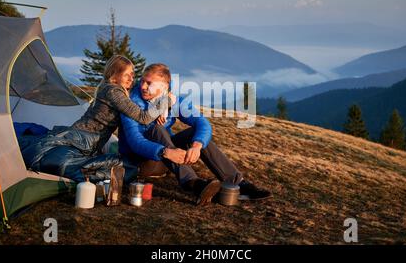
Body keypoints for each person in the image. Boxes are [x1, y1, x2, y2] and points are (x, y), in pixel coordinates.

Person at [118, 63, 271, 205]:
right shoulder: (130, 103)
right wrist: (166, 151)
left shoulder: (173, 101)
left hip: (167, 160)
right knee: (156, 129)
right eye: (142, 81)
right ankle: (194, 183)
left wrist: (197, 145)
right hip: (141, 162)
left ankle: (237, 183)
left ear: (164, 86)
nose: (143, 86)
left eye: (149, 83)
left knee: (196, 135)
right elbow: (135, 141)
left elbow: (202, 123)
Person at [21, 55, 171, 183]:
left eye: (133, 74)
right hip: (81, 139)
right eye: (127, 75)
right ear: (115, 74)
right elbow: (142, 117)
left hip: (86, 139)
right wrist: (166, 101)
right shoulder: (114, 92)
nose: (132, 79)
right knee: (70, 165)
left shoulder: (110, 89)